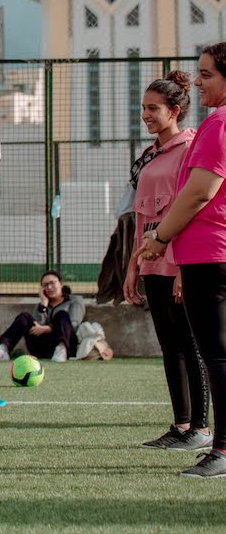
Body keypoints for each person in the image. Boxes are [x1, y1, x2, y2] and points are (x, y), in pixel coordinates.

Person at [138, 42, 226, 478]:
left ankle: (216, 443)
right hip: (192, 255)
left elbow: (198, 194)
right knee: (199, 351)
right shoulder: (163, 148)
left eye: (208, 74)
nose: (200, 81)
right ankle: (198, 433)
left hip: (203, 255)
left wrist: (163, 242)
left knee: (213, 354)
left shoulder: (215, 126)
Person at [124, 71, 210, 451]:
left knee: (191, 345)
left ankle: (201, 428)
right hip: (151, 264)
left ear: (174, 111)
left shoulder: (191, 150)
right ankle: (180, 424)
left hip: (179, 262)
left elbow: (189, 213)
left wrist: (180, 271)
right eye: (143, 108)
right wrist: (132, 268)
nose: (145, 114)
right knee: (169, 346)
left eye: (153, 108)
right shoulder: (150, 156)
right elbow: (142, 219)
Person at [0, 271, 84, 363]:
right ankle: (2, 349)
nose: (49, 287)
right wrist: (44, 304)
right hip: (42, 347)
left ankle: (61, 350)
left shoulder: (75, 300)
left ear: (61, 283)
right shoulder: (41, 305)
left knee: (62, 315)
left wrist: (49, 329)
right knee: (24, 317)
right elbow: (37, 326)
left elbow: (74, 325)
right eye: (45, 285)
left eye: (52, 283)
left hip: (67, 345)